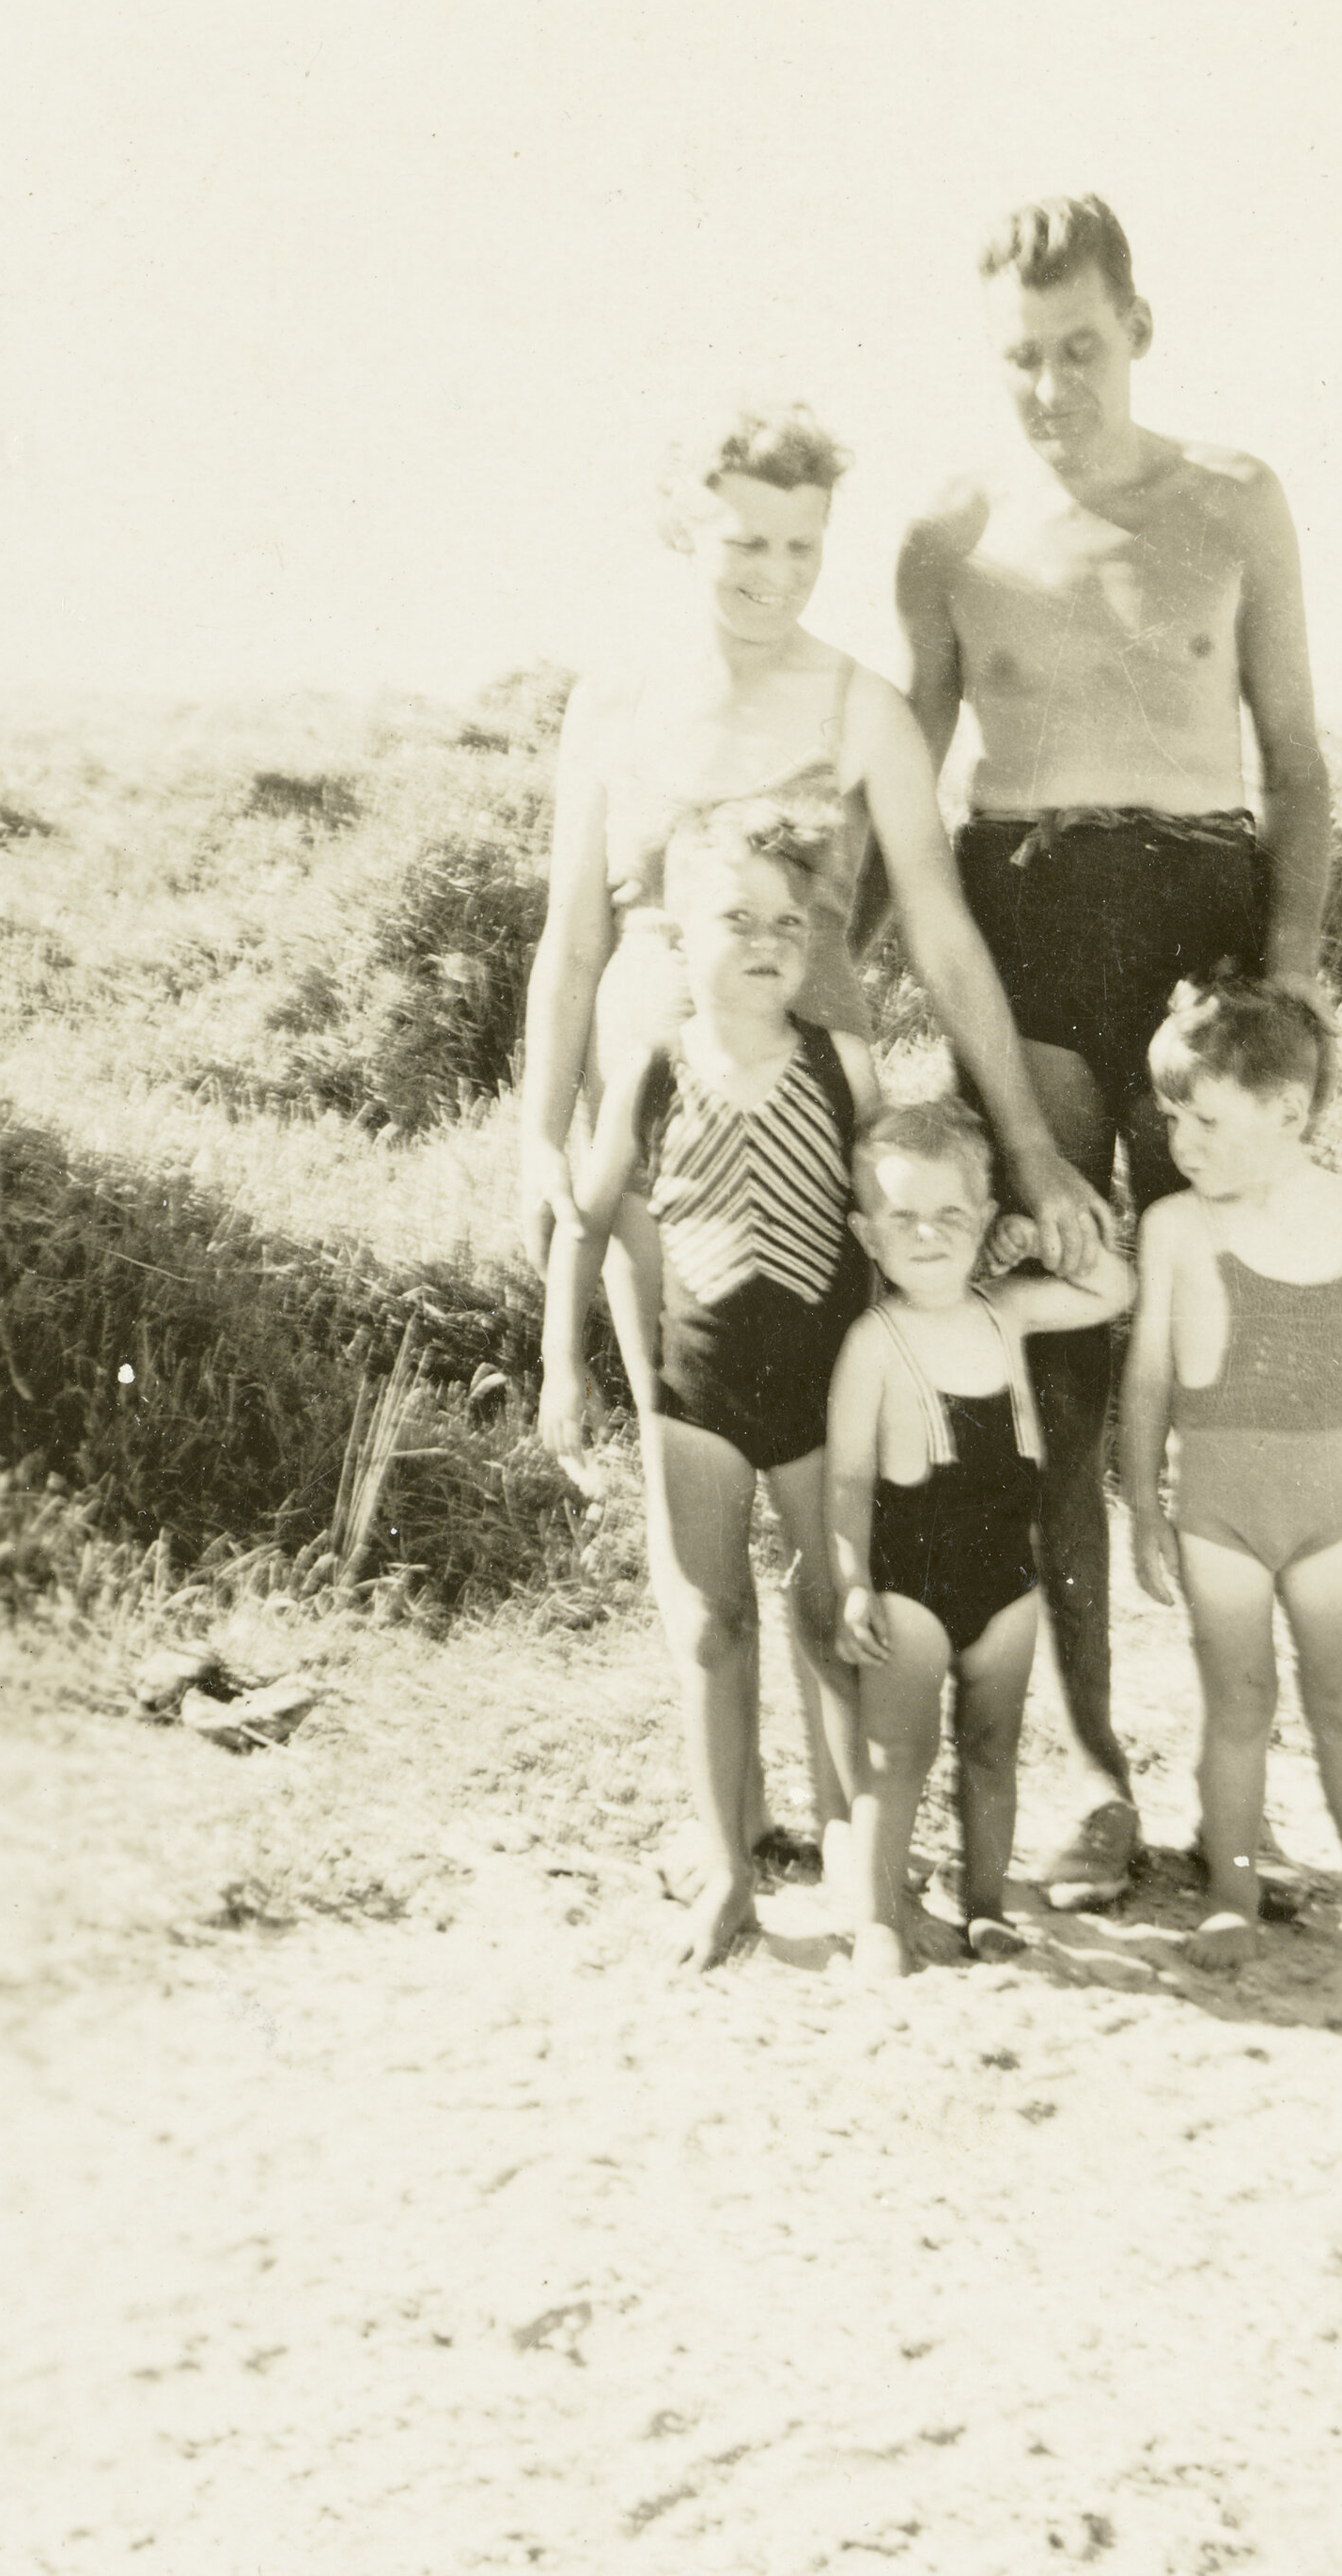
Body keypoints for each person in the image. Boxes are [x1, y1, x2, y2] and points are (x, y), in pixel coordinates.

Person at [522, 401, 1114, 1867]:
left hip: (808, 1140)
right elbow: (570, 935)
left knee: (832, 1514)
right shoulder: (615, 698)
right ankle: (734, 1835)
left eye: (801, 544)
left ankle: (858, 1832)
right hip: (656, 1156)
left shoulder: (857, 704)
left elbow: (945, 930)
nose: (774, 570)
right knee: (696, 1528)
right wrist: (540, 1137)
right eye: (744, 539)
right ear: (686, 526)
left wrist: (1031, 1144)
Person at [874, 194, 1332, 1907]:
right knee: (1053, 1377)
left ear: (1140, 325)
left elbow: (1295, 757)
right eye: (1021, 358)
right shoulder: (950, 533)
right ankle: (1087, 1772)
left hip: (1207, 930)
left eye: (1081, 347)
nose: (1053, 386)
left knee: (1239, 1350)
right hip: (1033, 932)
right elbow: (903, 808)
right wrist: (832, 996)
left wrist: (1287, 997)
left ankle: (1244, 1781)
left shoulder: (1234, 502)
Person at [540, 802, 878, 1969]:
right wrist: (560, 1369)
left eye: (789, 919)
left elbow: (892, 1217)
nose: (767, 938)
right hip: (695, 1397)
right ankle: (729, 1872)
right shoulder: (651, 1067)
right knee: (710, 1626)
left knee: (836, 1617)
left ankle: (855, 1859)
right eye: (735, 916)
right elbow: (582, 1228)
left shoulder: (845, 1065)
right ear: (676, 931)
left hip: (825, 1391)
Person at [1119, 979, 1342, 1966]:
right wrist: (1141, 1503)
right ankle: (1229, 1890)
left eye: (1205, 1117)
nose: (1181, 1140)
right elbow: (1143, 1377)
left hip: (1328, 1515)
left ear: (1286, 1111)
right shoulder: (1174, 1226)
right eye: (1171, 1116)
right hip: (1216, 1514)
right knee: (1236, 1705)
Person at [827, 1099, 1132, 1982]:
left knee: (993, 1748)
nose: (927, 1236)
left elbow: (1115, 1289)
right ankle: (880, 1918)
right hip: (909, 1583)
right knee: (901, 1754)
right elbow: (847, 1481)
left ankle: (987, 1906)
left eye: (951, 1216)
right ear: (868, 1233)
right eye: (903, 1218)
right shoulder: (873, 1341)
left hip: (1008, 1577)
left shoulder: (1006, 1311)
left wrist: (1034, 1243)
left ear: (983, 1226)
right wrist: (852, 1581)